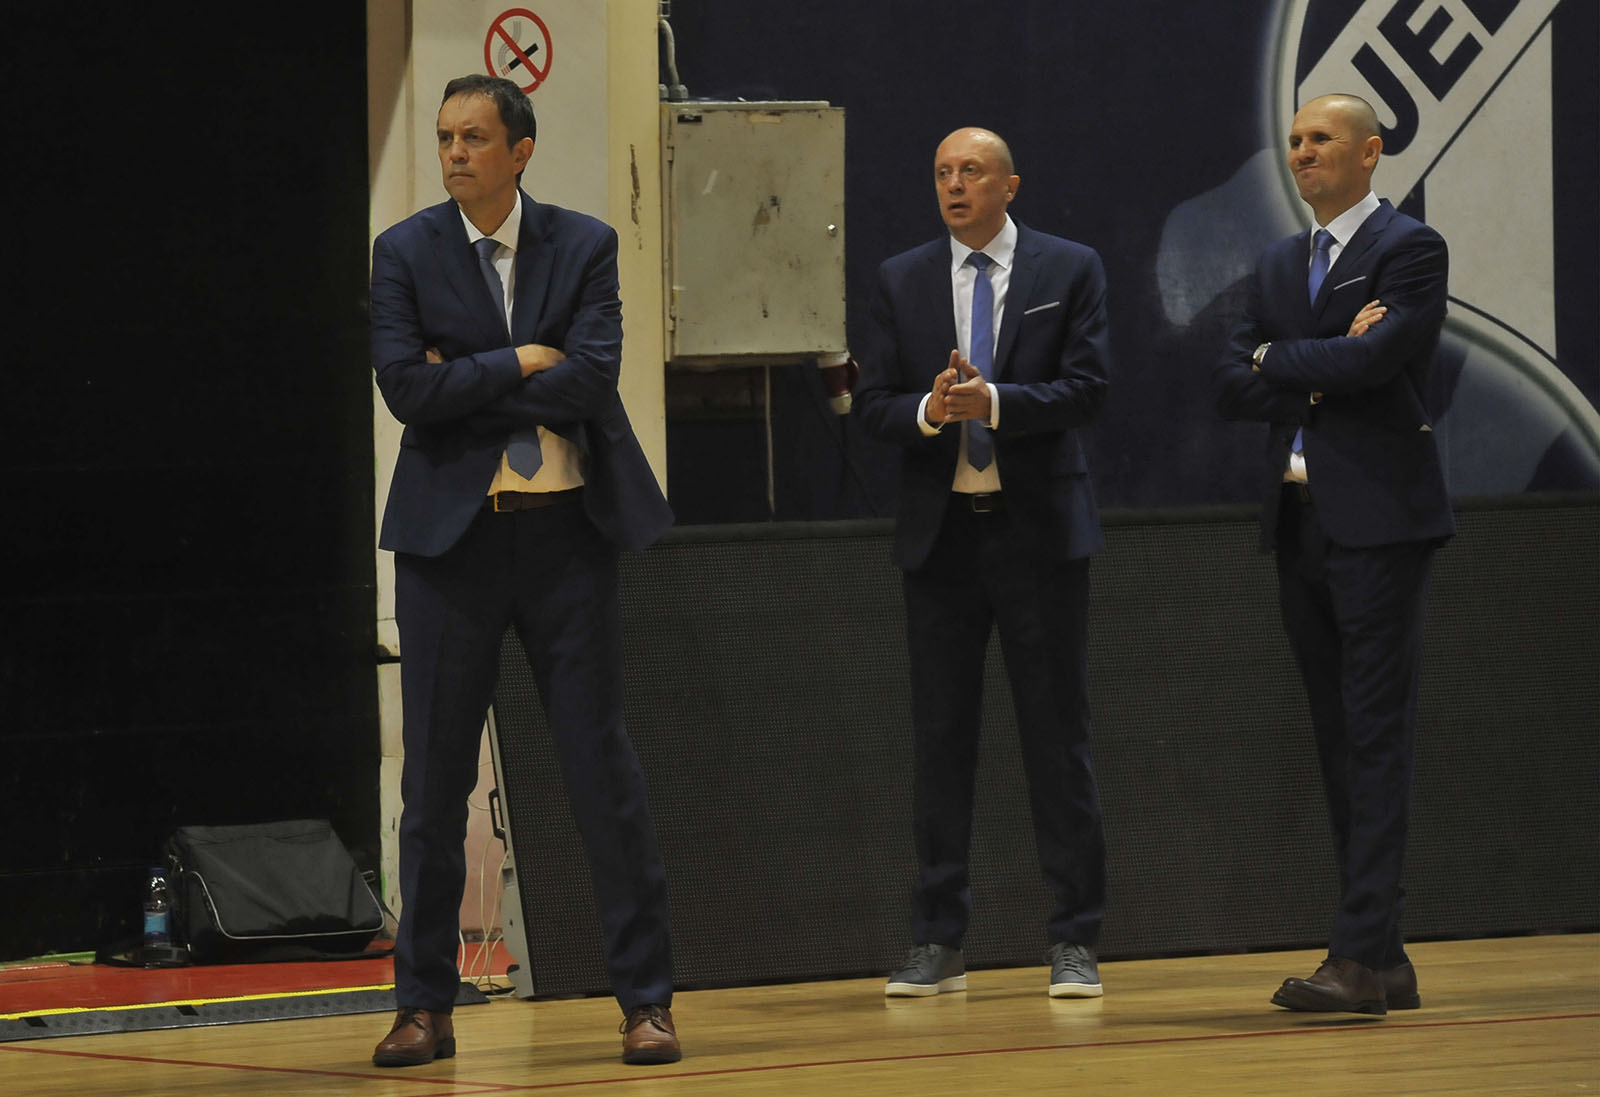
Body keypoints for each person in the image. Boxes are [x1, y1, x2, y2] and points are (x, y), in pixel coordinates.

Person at [368, 74, 681, 1066]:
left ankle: (646, 1000)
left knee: (602, 773)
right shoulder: (403, 250)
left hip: (564, 540)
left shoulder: (584, 244)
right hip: (449, 547)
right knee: (432, 789)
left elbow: (592, 378)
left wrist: (467, 379)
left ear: (521, 150)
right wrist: (519, 363)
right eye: (444, 137)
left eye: (473, 137)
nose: (455, 153)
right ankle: (423, 1005)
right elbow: (405, 390)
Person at [855, 127, 1112, 999]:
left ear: (1010, 185)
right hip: (943, 540)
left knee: (1057, 739)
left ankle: (1074, 938)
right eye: (942, 173)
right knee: (940, 741)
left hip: (1038, 536)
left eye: (970, 171)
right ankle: (937, 939)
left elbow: (1089, 389)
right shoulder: (901, 277)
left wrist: (994, 401)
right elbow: (874, 405)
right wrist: (931, 412)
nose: (954, 185)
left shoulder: (1068, 268)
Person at [1213, 93, 1454, 1015]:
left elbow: (1376, 362)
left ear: (1370, 152)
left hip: (1382, 524)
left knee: (1376, 735)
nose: (1302, 152)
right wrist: (1314, 355)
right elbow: (1228, 381)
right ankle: (1383, 958)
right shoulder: (1281, 260)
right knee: (1338, 738)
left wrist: (1279, 358)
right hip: (1299, 520)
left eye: (1320, 139)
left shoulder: (1409, 248)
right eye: (1295, 141)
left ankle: (1355, 958)